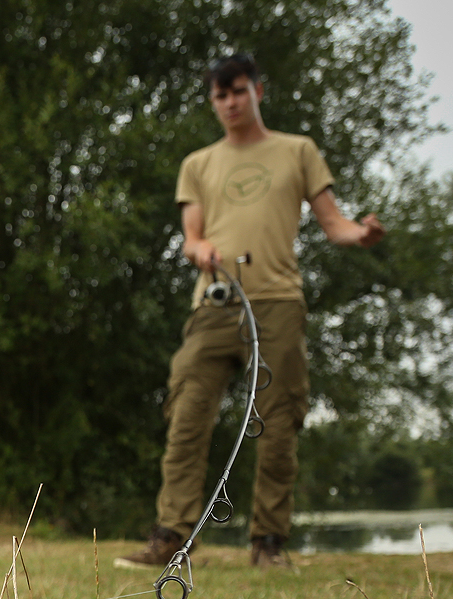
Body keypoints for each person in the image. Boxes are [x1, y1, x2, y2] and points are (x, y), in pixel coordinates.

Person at [116, 53, 385, 570]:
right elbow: (191, 238)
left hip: (279, 302)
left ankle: (267, 544)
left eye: (238, 90)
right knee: (187, 415)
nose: (230, 102)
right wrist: (199, 250)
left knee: (278, 421)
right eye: (220, 95)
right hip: (215, 304)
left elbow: (334, 224)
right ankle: (171, 536)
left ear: (258, 90)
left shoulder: (298, 151)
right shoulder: (198, 163)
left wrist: (362, 233)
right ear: (212, 101)